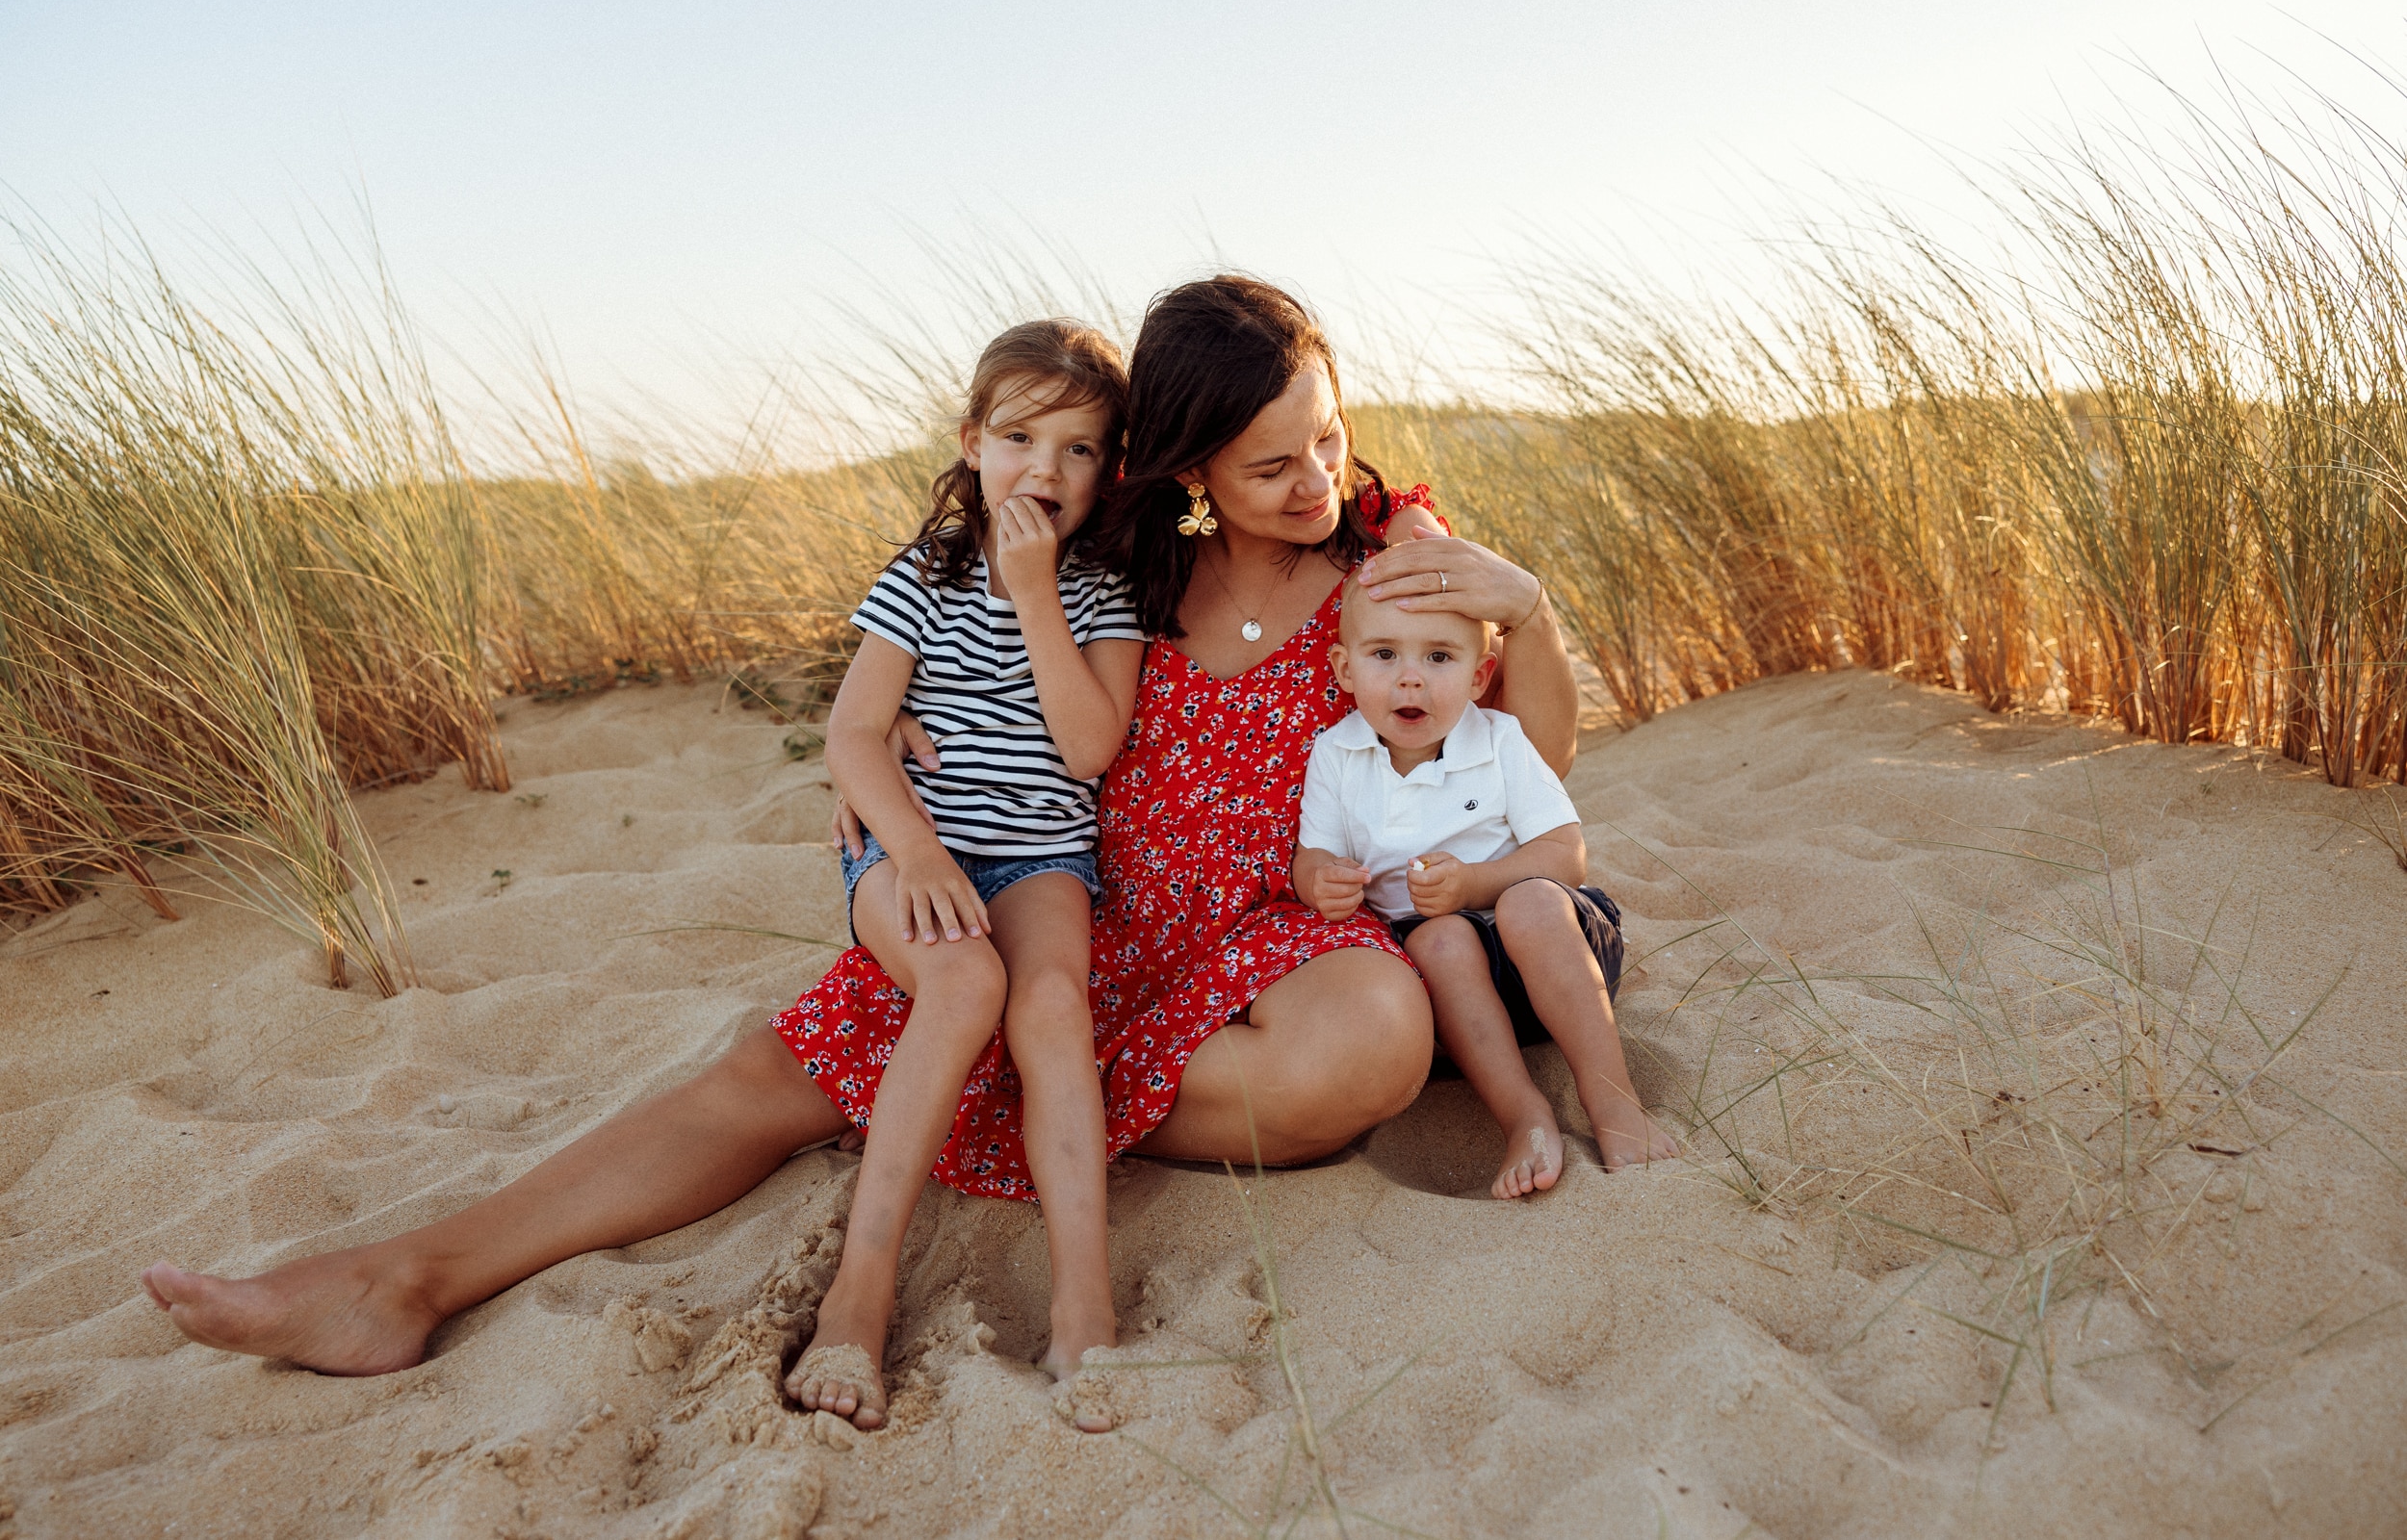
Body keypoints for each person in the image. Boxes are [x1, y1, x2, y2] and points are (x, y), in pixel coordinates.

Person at [137, 274, 1581, 1432]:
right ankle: (404, 1273)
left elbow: (1537, 757)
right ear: (1190, 460)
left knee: (1371, 1037)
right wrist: (889, 764)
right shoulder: (1128, 558)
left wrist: (1534, 605)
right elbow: (973, 677)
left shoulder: (1397, 553)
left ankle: (963, 1087)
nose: (1318, 474)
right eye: (1273, 460)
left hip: (1269, 940)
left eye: (1329, 436)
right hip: (1069, 903)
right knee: (770, 1078)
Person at [784, 321, 1146, 1430]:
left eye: (1079, 448)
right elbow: (852, 736)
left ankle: (1084, 1303)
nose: (1045, 466)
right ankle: (859, 1293)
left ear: (1110, 469)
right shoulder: (923, 576)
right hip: (910, 844)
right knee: (963, 981)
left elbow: (1088, 751)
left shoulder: (1099, 594)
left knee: (1047, 1001)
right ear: (972, 441)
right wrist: (920, 851)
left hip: (1041, 850)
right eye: (1020, 435)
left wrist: (1038, 593)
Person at [1292, 579, 1680, 1199]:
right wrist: (1321, 881)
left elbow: (1566, 855)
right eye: (1384, 655)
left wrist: (1474, 882)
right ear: (1343, 667)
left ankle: (1614, 1102)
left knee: (1527, 901)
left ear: (1480, 675)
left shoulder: (1500, 740)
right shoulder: (1337, 755)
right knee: (1438, 940)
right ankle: (1524, 1115)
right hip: (1450, 988)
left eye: (1439, 657)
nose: (1410, 679)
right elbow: (1314, 854)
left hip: (1557, 943)